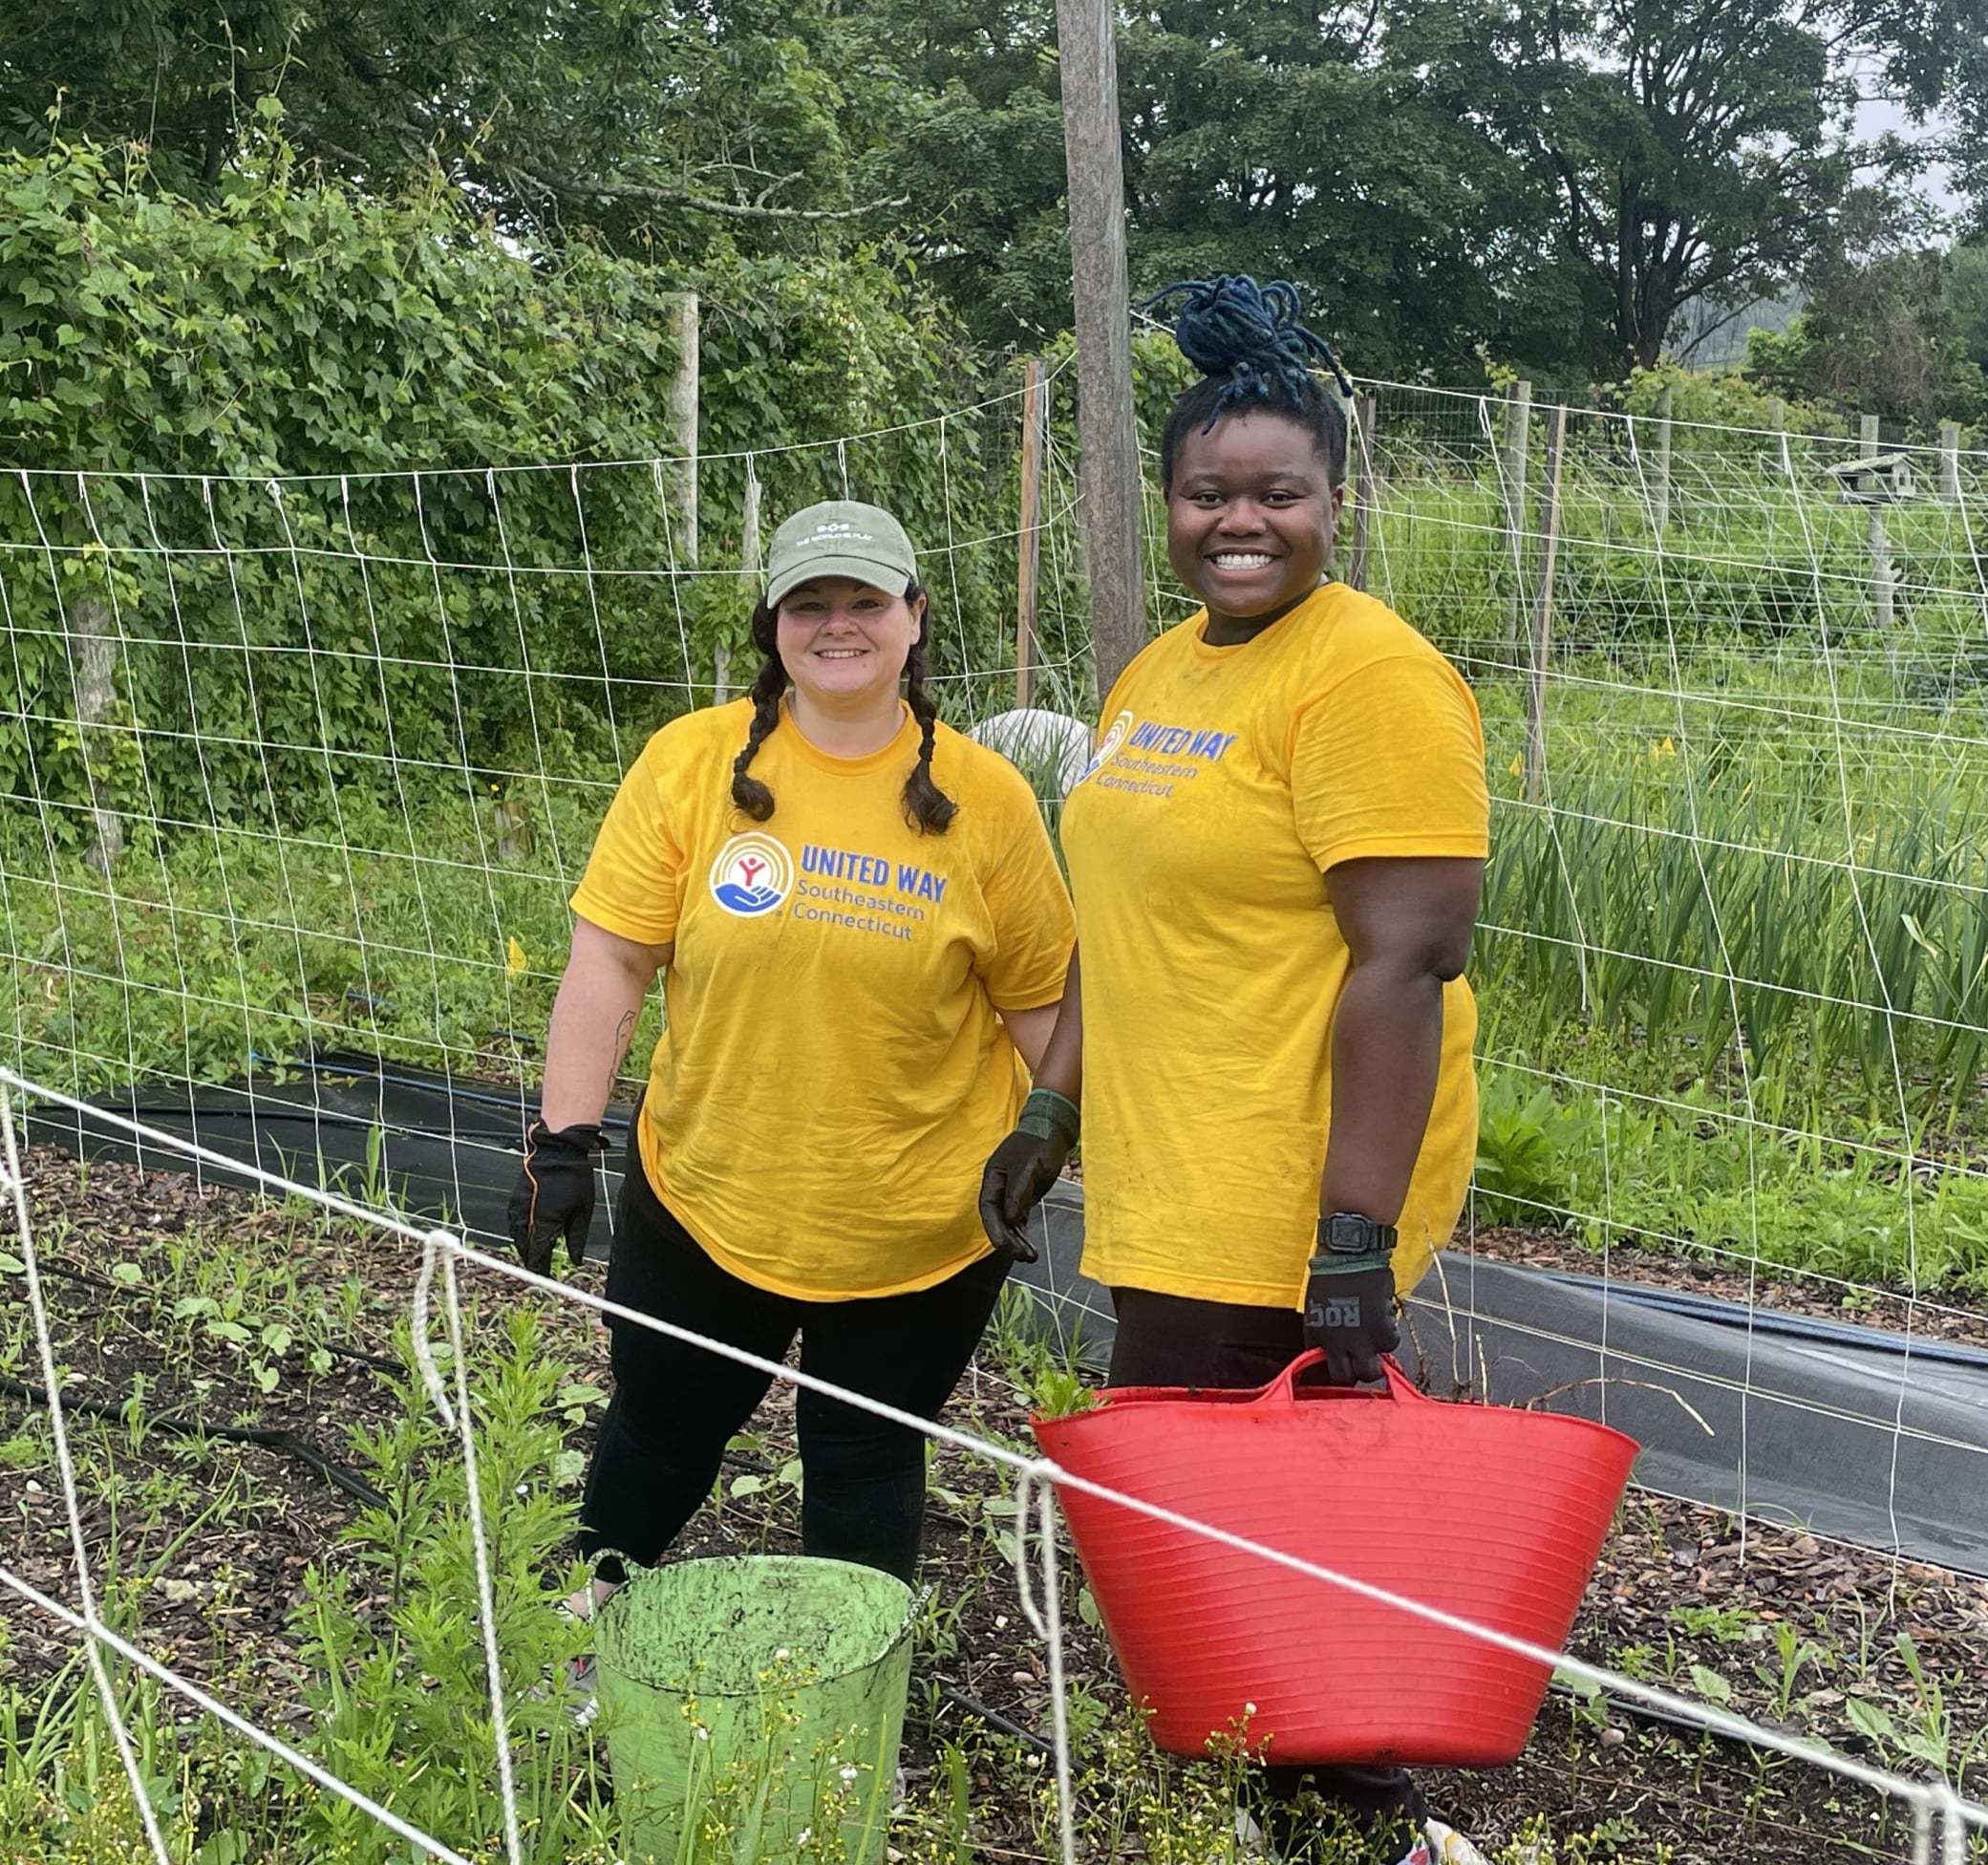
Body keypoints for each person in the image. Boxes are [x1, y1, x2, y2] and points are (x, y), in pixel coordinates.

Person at [979, 278, 1492, 1865]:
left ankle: (1377, 1841)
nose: (1242, 523)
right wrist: (1053, 1104)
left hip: (1283, 1188)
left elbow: (1407, 961)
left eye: (1279, 493)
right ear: (1171, 505)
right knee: (1216, 1547)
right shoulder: (1159, 673)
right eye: (1211, 494)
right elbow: (1119, 917)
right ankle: (1317, 1820)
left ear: (1336, 502)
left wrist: (1352, 1237)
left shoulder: (1367, 677)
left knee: (1251, 1561)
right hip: (1173, 1172)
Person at [508, 499, 1075, 1636]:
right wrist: (562, 1139)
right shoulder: (691, 763)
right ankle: (583, 1627)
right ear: (772, 624)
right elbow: (611, 961)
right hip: (707, 1191)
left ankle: (842, 1693)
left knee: (865, 1456)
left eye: (864, 600)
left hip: (918, 1221)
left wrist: (1051, 1124)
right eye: (808, 603)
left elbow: (1051, 1006)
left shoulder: (988, 802)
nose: (836, 624)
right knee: (659, 1422)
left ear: (914, 616)